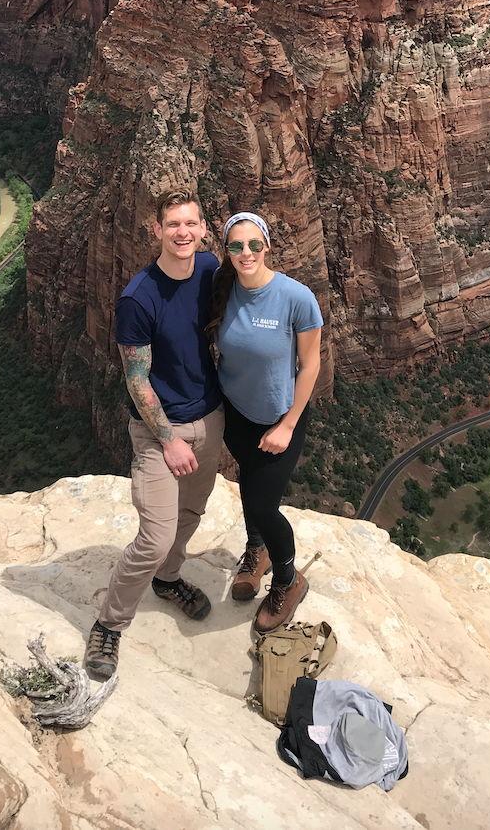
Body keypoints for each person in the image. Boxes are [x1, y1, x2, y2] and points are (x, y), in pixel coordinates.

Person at [83, 190, 225, 680]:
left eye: (190, 223)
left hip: (210, 418)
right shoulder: (138, 297)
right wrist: (168, 440)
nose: (182, 233)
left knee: (191, 512)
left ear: (202, 229)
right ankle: (109, 623)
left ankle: (167, 580)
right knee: (155, 537)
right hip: (159, 430)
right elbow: (136, 379)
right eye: (173, 225)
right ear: (157, 230)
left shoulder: (208, 269)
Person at [208, 211, 323, 633]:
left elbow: (311, 365)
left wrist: (288, 424)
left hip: (280, 418)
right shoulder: (221, 289)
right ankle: (256, 551)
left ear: (268, 246)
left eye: (254, 244)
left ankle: (289, 580)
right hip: (236, 413)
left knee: (262, 504)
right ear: (227, 250)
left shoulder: (296, 297)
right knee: (247, 480)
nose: (246, 253)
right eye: (236, 246)